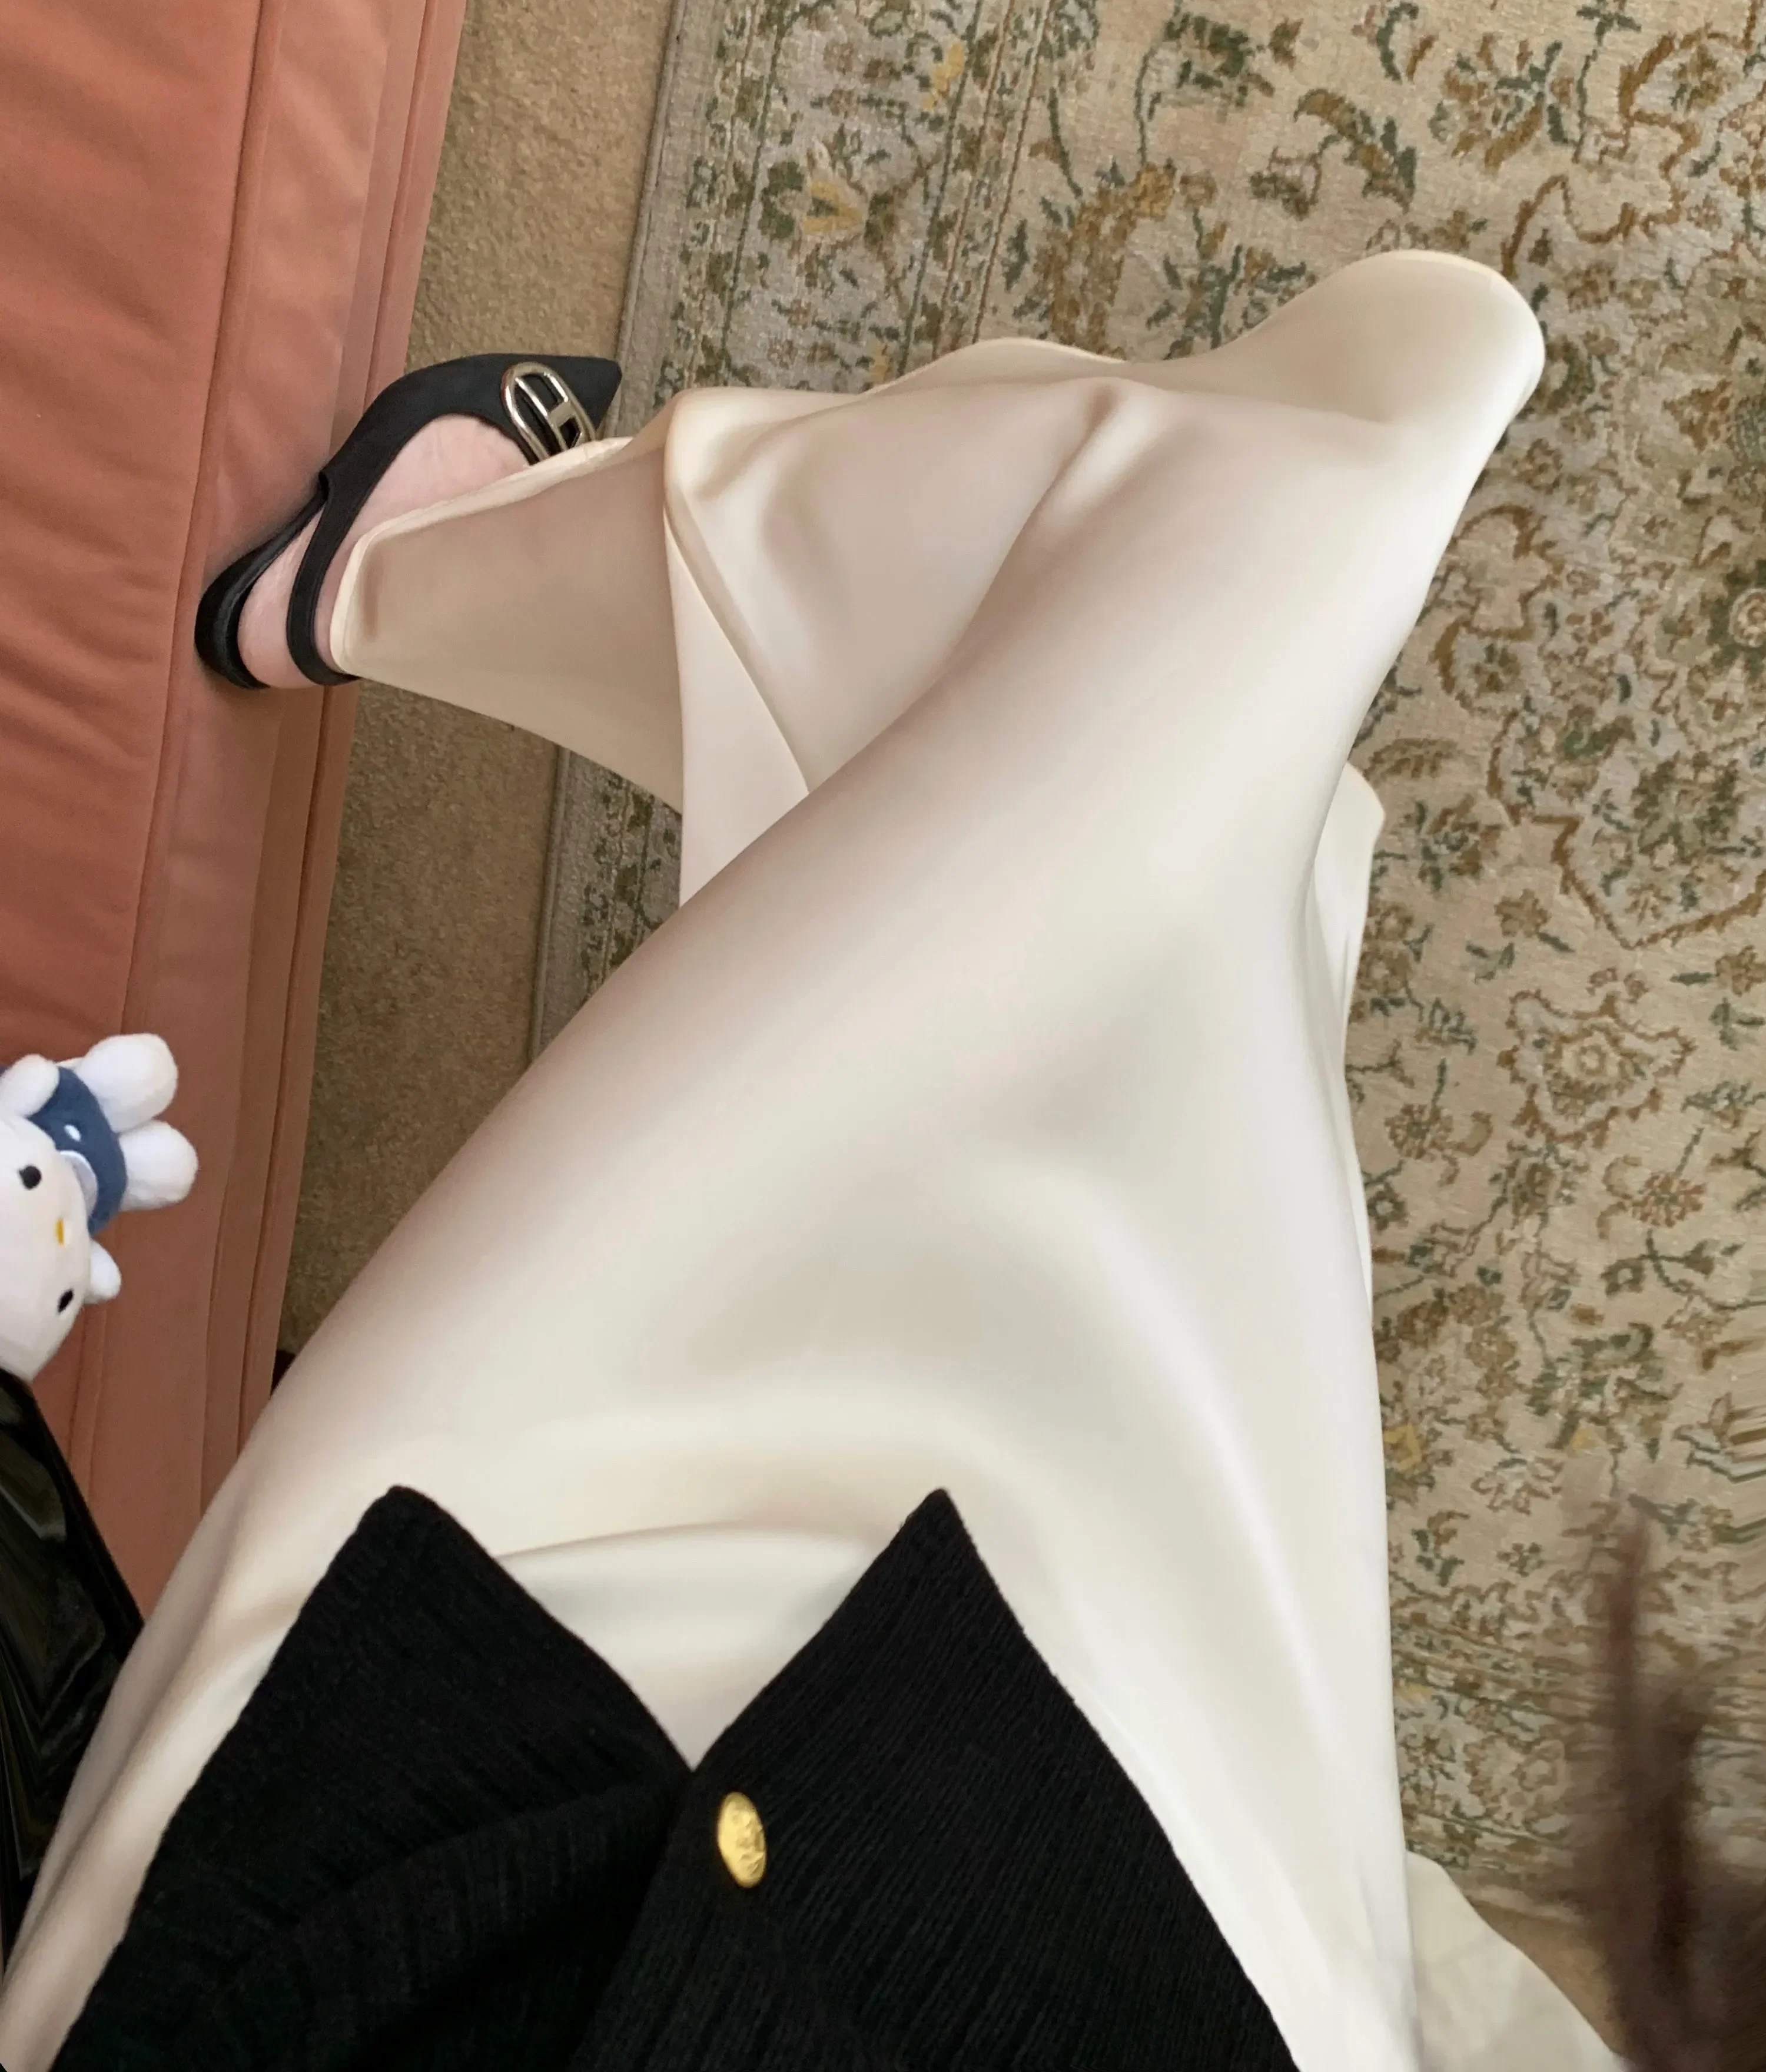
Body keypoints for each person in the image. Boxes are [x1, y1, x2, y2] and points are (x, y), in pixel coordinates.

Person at [0, 253, 1621, 2071]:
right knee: (1244, 906)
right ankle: (432, 579)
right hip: (1197, 1945)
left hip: (495, 1888)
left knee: (1243, 563)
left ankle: (406, 571)